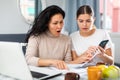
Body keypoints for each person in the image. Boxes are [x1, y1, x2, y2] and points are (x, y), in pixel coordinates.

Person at [25, 5, 72, 70]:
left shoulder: (67, 39)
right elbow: (29, 59)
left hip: (59, 74)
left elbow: (67, 63)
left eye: (61, 22)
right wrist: (52, 62)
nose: (59, 26)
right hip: (40, 74)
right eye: (55, 23)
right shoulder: (35, 37)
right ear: (47, 24)